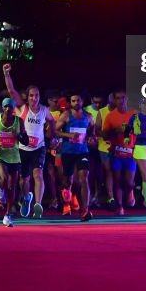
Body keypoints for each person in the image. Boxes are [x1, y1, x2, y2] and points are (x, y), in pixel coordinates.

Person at [2, 63, 55, 219]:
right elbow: (11, 91)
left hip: (39, 148)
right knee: (23, 180)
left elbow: (52, 121)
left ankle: (38, 205)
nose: (34, 98)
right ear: (27, 96)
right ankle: (26, 198)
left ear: (40, 96)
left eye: (37, 95)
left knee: (38, 175)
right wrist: (6, 74)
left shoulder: (45, 110)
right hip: (23, 149)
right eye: (31, 95)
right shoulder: (23, 108)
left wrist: (52, 135)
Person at [56, 91, 95, 221]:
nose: (76, 103)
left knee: (84, 179)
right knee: (68, 181)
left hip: (82, 152)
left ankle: (85, 210)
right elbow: (54, 131)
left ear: (82, 101)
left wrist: (91, 138)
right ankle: (67, 204)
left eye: (78, 100)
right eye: (73, 101)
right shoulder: (66, 115)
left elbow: (92, 132)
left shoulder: (88, 116)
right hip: (68, 152)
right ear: (70, 102)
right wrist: (69, 135)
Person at [0, 97, 27, 227]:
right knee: (4, 178)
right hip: (0, 153)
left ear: (13, 109)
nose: (8, 109)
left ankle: (7, 215)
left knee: (12, 186)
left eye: (11, 107)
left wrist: (17, 136)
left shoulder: (19, 121)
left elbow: (26, 141)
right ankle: (0, 186)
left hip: (14, 155)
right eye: (6, 106)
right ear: (3, 107)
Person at [103, 90, 136, 215]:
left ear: (126, 99)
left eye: (123, 98)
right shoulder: (110, 116)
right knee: (117, 180)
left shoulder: (134, 114)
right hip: (116, 152)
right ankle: (120, 206)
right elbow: (105, 134)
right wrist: (115, 131)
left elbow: (142, 130)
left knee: (128, 182)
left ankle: (130, 191)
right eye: (118, 98)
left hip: (131, 153)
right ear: (114, 100)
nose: (120, 100)